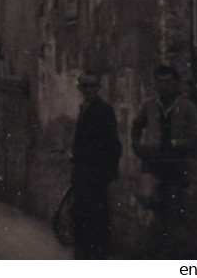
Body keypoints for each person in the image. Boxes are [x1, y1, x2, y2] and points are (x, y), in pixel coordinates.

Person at [130, 63, 197, 257]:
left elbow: (196, 139)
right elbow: (136, 126)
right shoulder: (149, 106)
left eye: (168, 82)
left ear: (177, 84)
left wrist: (175, 143)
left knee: (173, 215)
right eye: (160, 82)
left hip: (176, 168)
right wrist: (138, 147)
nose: (163, 86)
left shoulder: (187, 108)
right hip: (153, 166)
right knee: (148, 209)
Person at [68, 71, 120, 259]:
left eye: (92, 86)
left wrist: (106, 174)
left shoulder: (103, 111)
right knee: (82, 222)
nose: (88, 89)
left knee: (94, 225)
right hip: (83, 176)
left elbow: (114, 145)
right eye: (85, 86)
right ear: (79, 87)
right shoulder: (86, 108)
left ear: (98, 88)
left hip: (95, 179)